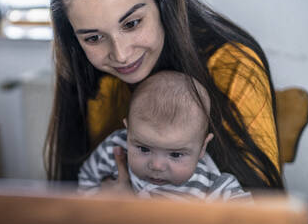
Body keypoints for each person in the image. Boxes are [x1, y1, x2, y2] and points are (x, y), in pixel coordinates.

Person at [45, 0, 283, 193]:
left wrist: (130, 210)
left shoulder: (231, 64)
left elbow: (262, 212)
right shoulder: (89, 73)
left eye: (132, 23)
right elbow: (74, 187)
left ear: (162, 3)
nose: (121, 55)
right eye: (93, 38)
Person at [79, 70, 252, 201]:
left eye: (175, 154)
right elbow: (86, 178)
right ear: (128, 131)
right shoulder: (115, 148)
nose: (157, 166)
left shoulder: (212, 185)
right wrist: (99, 203)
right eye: (144, 148)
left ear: (202, 147)